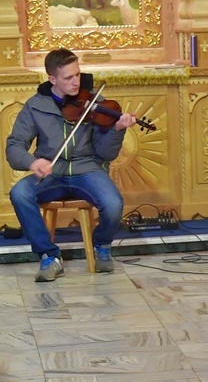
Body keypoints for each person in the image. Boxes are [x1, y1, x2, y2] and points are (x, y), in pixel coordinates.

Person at [6, 48, 138, 282]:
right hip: (52, 173)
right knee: (19, 192)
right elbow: (14, 146)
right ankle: (49, 255)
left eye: (77, 74)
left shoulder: (93, 103)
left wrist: (117, 130)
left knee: (113, 203)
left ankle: (102, 245)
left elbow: (105, 153)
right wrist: (33, 161)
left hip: (87, 170)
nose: (76, 81)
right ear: (52, 79)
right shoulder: (35, 106)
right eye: (68, 77)